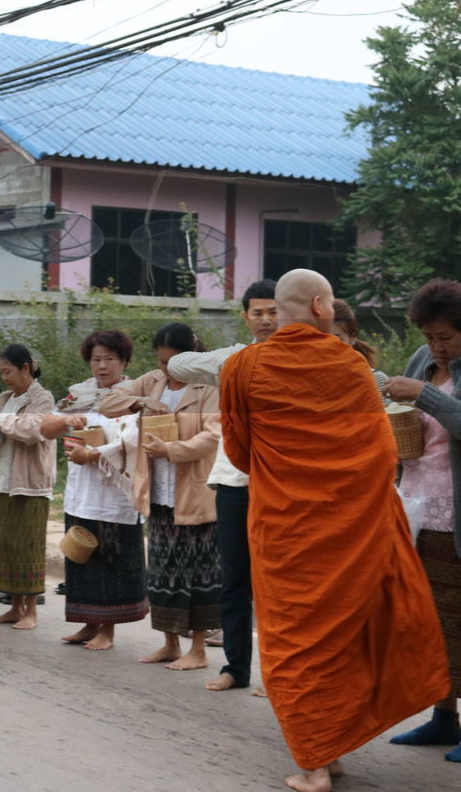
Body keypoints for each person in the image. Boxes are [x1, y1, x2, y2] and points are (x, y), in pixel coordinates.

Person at [221, 268, 450, 792]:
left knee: (293, 643)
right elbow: (381, 453)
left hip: (282, 527)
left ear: (279, 311)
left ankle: (314, 763)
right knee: (340, 638)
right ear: (322, 307)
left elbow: (238, 450)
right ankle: (328, 749)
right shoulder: (350, 365)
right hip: (348, 529)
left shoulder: (242, 366)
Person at [166, 279, 276, 694]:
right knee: (233, 579)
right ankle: (236, 668)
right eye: (257, 312)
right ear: (246, 317)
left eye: (273, 311)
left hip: (279, 482)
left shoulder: (302, 359)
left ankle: (276, 672)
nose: (265, 320)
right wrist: (231, 362)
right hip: (234, 480)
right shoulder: (235, 357)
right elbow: (177, 365)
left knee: (276, 583)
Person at [99, 322, 222, 672]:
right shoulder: (152, 381)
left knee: (197, 572)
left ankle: (197, 649)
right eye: (162, 361)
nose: (167, 369)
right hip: (158, 492)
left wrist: (170, 449)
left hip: (194, 492)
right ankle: (169, 644)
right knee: (163, 571)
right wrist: (141, 401)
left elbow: (212, 437)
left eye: (174, 362)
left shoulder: (210, 385)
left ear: (192, 357)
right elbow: (108, 401)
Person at [384, 278, 461, 763]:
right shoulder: (420, 359)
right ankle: (442, 717)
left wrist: (426, 397)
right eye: (430, 336)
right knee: (428, 622)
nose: (436, 346)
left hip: (456, 517)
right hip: (415, 507)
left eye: (447, 337)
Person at [54, 330, 148, 650]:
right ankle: (88, 623)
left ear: (123, 362)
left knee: (111, 559)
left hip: (115, 495)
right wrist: (74, 440)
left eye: (110, 359)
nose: (102, 366)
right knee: (80, 556)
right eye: (96, 359)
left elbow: (132, 440)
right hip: (83, 490)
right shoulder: (78, 396)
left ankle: (108, 630)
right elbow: (65, 429)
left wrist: (94, 454)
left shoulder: (132, 398)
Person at [0, 344, 56, 630]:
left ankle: (31, 611)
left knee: (26, 547)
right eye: (2, 372)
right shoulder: (4, 398)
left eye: (9, 371)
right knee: (4, 546)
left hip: (26, 484)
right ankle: (14, 607)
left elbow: (33, 430)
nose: (6, 378)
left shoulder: (43, 398)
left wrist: (1, 420)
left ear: (26, 368)